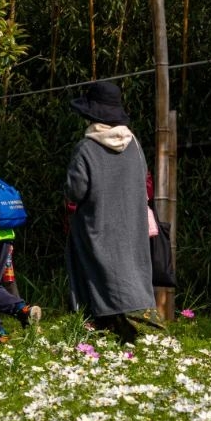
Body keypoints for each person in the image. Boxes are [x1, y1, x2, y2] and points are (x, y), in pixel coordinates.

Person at [66, 82, 154, 343]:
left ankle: (98, 331)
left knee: (93, 276)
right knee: (131, 273)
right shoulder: (134, 144)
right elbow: (143, 180)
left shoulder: (86, 148)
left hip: (96, 225)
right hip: (132, 226)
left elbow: (75, 191)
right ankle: (132, 330)